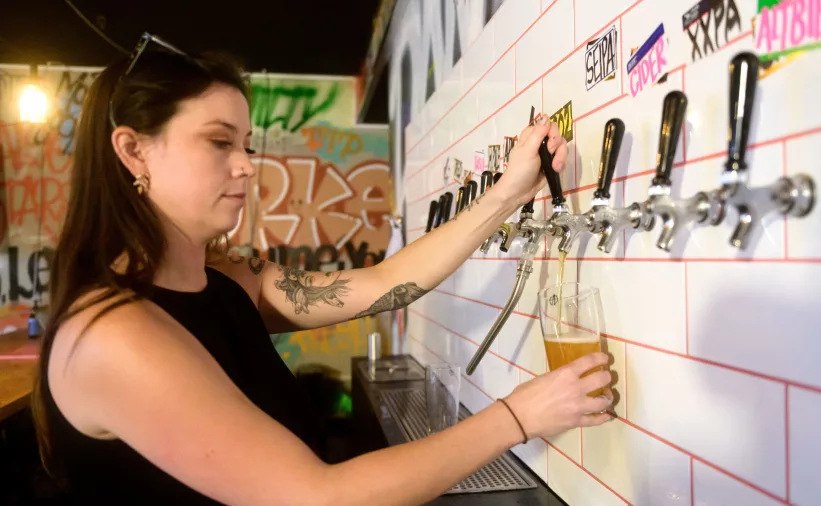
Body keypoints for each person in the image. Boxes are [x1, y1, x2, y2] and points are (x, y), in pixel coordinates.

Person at [33, 34, 615, 506]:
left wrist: (506, 195)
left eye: (247, 145)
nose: (244, 167)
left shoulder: (232, 284)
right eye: (218, 143)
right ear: (134, 151)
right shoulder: (112, 335)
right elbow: (316, 497)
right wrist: (519, 416)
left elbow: (386, 285)